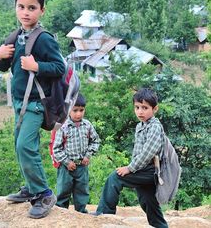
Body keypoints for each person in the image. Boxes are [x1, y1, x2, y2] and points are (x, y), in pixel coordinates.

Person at [0, 0, 65, 219]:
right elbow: (5, 64)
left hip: (35, 104)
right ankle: (31, 188)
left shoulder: (44, 39)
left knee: (25, 146)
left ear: (42, 10)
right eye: (21, 6)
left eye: (32, 8)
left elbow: (59, 67)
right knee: (20, 146)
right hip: (18, 103)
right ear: (15, 8)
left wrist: (37, 66)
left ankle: (44, 194)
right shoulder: (16, 36)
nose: (26, 12)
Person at [93, 88, 168, 228]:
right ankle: (160, 226)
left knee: (115, 178)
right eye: (137, 107)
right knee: (147, 201)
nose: (140, 111)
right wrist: (134, 166)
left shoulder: (155, 127)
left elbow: (148, 152)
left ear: (155, 109)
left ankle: (105, 213)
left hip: (152, 170)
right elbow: (137, 151)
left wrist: (130, 168)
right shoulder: (140, 126)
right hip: (144, 169)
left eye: (145, 108)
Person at [53, 93, 100, 213]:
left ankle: (81, 212)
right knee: (63, 190)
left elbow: (95, 141)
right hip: (66, 167)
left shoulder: (87, 125)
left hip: (82, 166)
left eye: (81, 110)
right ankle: (61, 212)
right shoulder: (63, 127)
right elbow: (56, 149)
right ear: (68, 110)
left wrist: (88, 155)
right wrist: (67, 162)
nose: (79, 113)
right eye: (75, 110)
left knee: (82, 190)